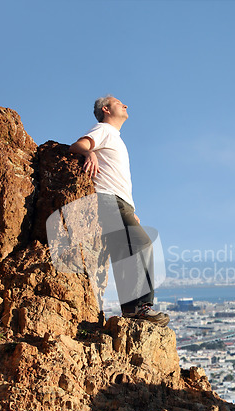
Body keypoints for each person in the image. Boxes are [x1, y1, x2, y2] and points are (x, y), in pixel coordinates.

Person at [69, 95, 169, 327]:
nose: (125, 105)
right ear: (105, 109)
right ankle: (139, 308)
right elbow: (78, 145)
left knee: (127, 252)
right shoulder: (103, 130)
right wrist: (89, 153)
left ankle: (133, 309)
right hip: (108, 200)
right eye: (118, 103)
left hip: (120, 202)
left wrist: (131, 209)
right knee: (142, 245)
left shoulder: (114, 136)